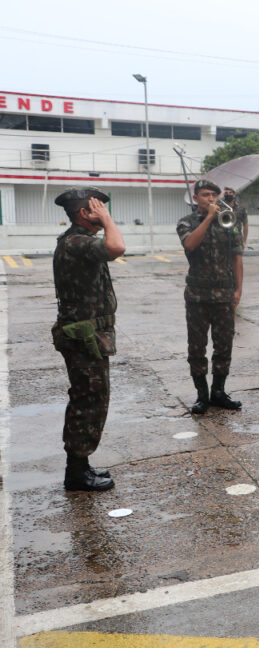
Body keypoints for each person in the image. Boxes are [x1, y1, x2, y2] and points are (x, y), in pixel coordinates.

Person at [52, 187, 124, 492]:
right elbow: (117, 247)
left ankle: (80, 466)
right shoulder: (77, 242)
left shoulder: (77, 241)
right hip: (84, 336)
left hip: (87, 334)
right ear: (84, 213)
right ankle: (77, 472)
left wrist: (104, 219)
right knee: (88, 401)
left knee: (89, 399)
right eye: (96, 207)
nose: (102, 211)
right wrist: (106, 220)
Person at [177, 179, 244, 414]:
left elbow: (237, 256)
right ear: (196, 198)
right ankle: (201, 395)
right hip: (197, 295)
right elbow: (190, 245)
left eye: (214, 195)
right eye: (206, 195)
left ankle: (218, 391)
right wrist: (208, 218)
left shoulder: (229, 221)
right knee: (197, 347)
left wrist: (238, 290)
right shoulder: (186, 222)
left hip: (224, 294)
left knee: (223, 346)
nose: (211, 199)